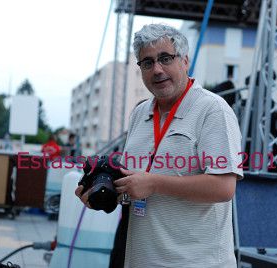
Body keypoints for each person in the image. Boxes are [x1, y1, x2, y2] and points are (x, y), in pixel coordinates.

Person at [76, 24, 243, 267]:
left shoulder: (213, 109)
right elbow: (136, 183)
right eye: (147, 62)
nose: (157, 69)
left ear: (184, 61)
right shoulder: (139, 113)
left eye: (165, 58)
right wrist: (104, 192)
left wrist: (153, 183)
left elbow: (223, 187)